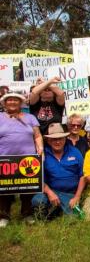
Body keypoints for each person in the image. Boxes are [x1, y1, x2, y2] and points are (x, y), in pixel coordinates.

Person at [0, 92, 43, 227]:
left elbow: (37, 136)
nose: (12, 102)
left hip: (27, 159)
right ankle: (4, 216)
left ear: (20, 103)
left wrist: (40, 148)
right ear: (5, 103)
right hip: (5, 160)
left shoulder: (30, 117)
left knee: (28, 188)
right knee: (4, 190)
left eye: (15, 100)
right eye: (9, 100)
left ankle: (27, 214)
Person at [32, 123, 85, 220]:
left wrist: (77, 196)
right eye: (54, 139)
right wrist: (49, 193)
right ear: (48, 140)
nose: (57, 142)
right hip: (51, 192)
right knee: (38, 200)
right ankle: (50, 213)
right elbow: (39, 178)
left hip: (71, 193)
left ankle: (58, 210)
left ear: (65, 139)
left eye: (60, 138)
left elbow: (82, 176)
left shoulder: (75, 152)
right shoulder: (43, 155)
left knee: (74, 218)